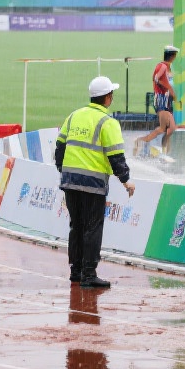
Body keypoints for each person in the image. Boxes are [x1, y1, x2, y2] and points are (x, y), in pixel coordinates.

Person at [55, 76, 135, 288]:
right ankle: (89, 274)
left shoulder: (73, 116)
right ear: (107, 98)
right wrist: (126, 180)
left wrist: (63, 171)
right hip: (93, 185)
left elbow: (60, 148)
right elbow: (116, 156)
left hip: (70, 182)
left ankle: (76, 270)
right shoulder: (108, 122)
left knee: (76, 226)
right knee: (92, 227)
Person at [135, 45, 180, 160]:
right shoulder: (163, 66)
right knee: (163, 128)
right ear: (173, 56)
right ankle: (140, 141)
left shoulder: (169, 67)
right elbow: (157, 78)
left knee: (171, 129)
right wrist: (169, 89)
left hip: (167, 101)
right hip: (161, 100)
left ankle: (164, 153)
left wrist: (172, 94)